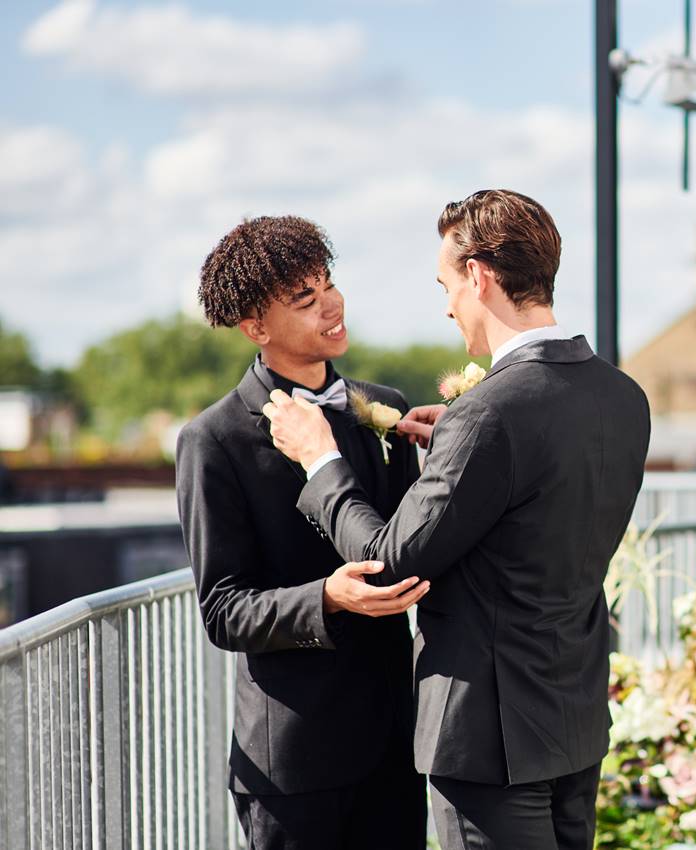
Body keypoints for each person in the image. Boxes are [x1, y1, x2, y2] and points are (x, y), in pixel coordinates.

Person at [263, 190, 651, 850]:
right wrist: (461, 440)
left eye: (446, 285)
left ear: (478, 275)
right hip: (574, 720)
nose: (446, 306)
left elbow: (388, 562)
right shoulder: (621, 394)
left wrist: (320, 460)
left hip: (488, 740)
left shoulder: (490, 415)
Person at [175, 215, 429, 850]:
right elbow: (223, 610)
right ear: (256, 328)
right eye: (305, 298)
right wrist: (327, 598)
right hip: (293, 762)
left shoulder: (385, 408)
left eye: (329, 283)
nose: (331, 304)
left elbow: (404, 550)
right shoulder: (213, 439)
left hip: (395, 748)